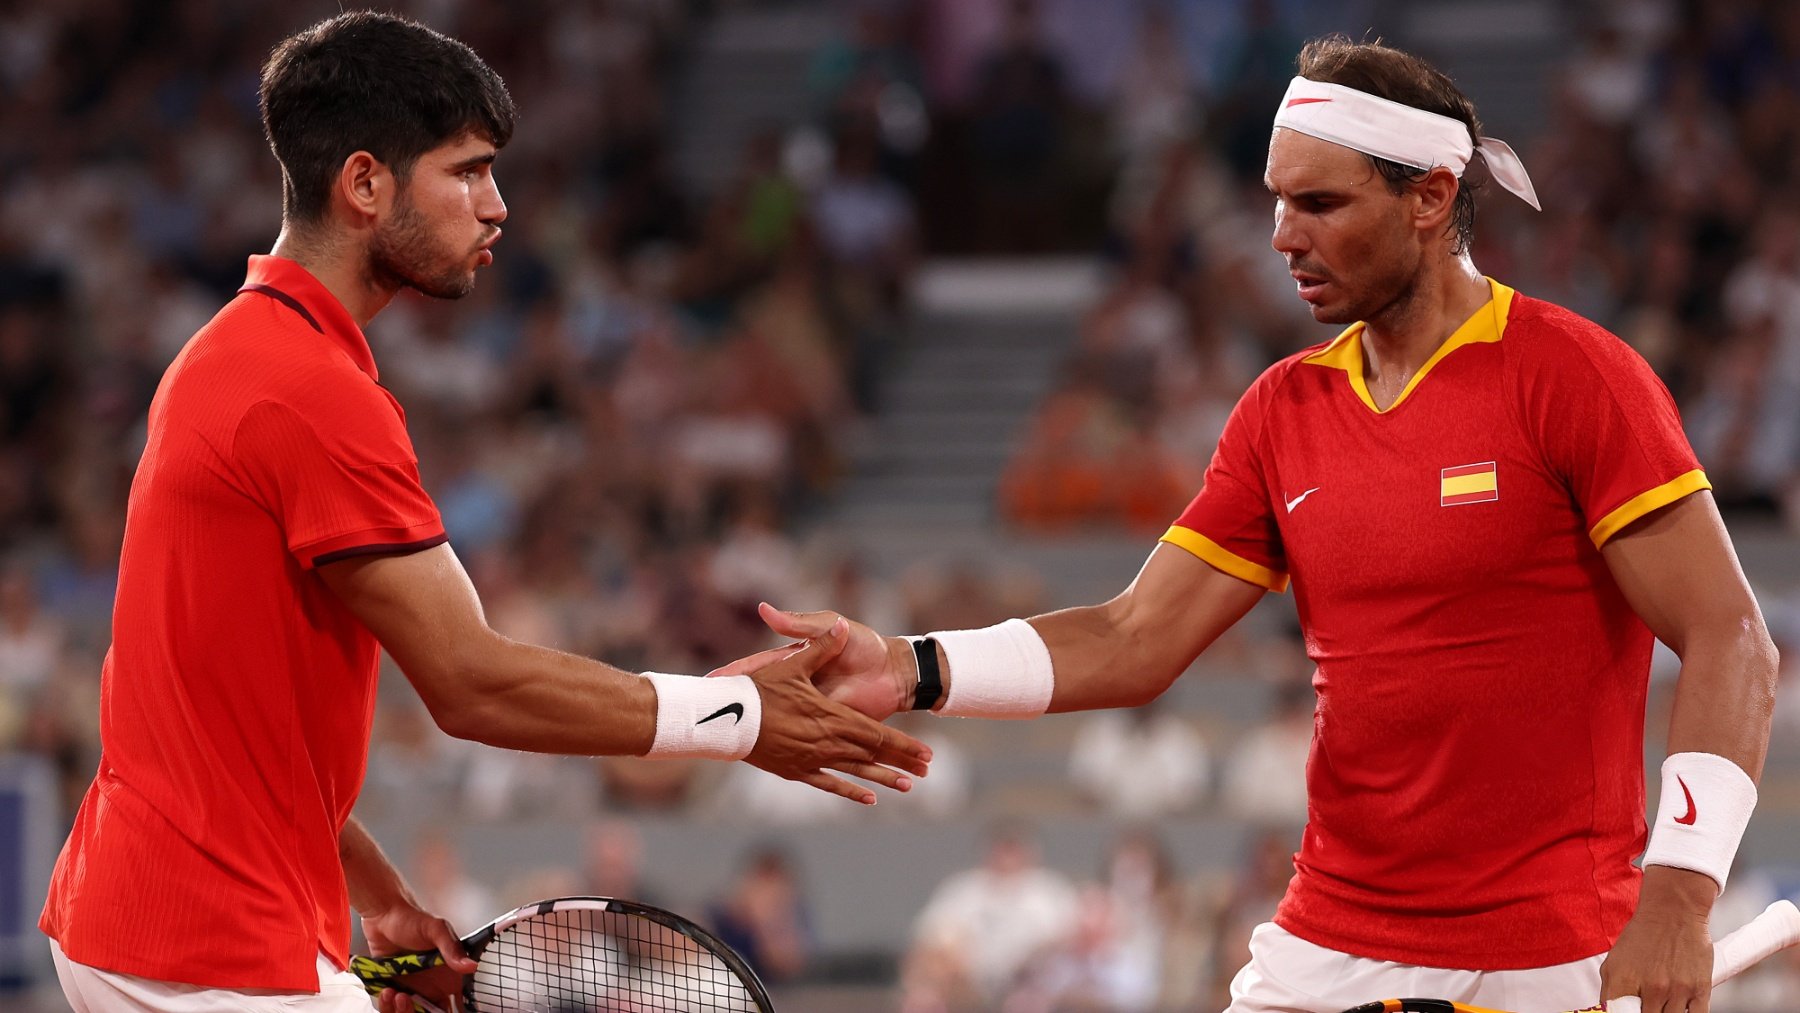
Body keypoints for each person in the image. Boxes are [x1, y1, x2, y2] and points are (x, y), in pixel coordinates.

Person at [756, 35, 1778, 1013]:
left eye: (1323, 203)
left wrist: (1683, 895)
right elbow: (1133, 637)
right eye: (1279, 201)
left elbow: (1733, 638)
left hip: (1553, 957)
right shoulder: (1281, 410)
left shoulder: (1577, 376)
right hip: (1323, 942)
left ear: (1429, 197)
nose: (1284, 235)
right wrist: (909, 664)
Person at [36, 13, 928, 1013]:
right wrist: (739, 715)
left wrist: (377, 893)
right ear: (365, 184)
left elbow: (209, 706)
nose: (497, 207)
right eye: (467, 172)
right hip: (213, 953)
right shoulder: (307, 392)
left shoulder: (231, 354)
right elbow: (471, 682)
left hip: (136, 922)